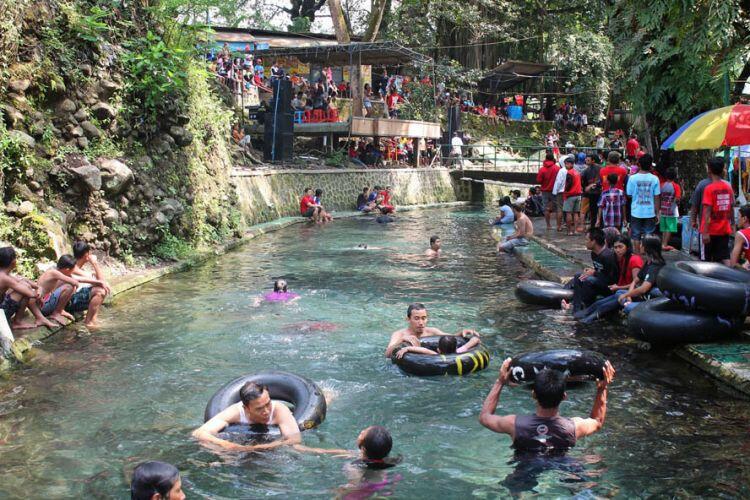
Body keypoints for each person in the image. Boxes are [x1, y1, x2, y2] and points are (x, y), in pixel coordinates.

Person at [479, 358, 615, 453]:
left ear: (533, 395)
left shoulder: (515, 424)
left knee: (517, 487)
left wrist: (500, 382)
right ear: (564, 397)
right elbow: (597, 421)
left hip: (525, 465)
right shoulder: (574, 427)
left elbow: (485, 417)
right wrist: (602, 389)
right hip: (564, 464)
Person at [192, 381, 301, 452]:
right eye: (259, 408)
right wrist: (226, 444)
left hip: (268, 445)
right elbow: (199, 433)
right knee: (211, 447)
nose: (266, 411)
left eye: (268, 404)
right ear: (246, 408)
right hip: (242, 441)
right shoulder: (236, 411)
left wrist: (255, 448)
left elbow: (294, 439)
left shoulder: (279, 410)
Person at [573, 235, 643, 323]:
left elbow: (636, 284)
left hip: (629, 294)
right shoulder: (622, 259)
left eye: (620, 247)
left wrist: (618, 288)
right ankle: (576, 316)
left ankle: (584, 322)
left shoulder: (634, 260)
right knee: (597, 303)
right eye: (615, 247)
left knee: (602, 306)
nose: (617, 250)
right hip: (619, 291)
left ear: (627, 247)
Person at [384, 303, 479, 358]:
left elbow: (451, 338)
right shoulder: (399, 334)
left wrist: (462, 333)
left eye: (424, 318)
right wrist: (402, 340)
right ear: (408, 319)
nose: (421, 322)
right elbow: (387, 354)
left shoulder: (432, 332)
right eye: (416, 318)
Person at [561, 228, 618, 313]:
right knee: (578, 276)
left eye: (587, 240)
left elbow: (612, 279)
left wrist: (594, 273)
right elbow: (599, 270)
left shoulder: (608, 256)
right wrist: (591, 272)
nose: (585, 242)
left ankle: (585, 307)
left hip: (609, 287)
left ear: (593, 241)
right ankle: (575, 308)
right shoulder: (594, 254)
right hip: (599, 282)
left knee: (589, 280)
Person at [0, 247, 54, 329]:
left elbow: (23, 280)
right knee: (23, 290)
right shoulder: (5, 278)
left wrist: (38, 287)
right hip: (1, 316)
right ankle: (17, 322)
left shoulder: (4, 274)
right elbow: (30, 294)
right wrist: (39, 295)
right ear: (13, 262)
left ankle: (23, 320)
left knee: (24, 284)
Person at [615, 235, 665, 314]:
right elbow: (634, 281)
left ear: (647, 247)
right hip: (643, 296)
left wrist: (626, 295)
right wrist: (628, 296)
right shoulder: (648, 262)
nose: (640, 246)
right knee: (619, 293)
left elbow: (643, 289)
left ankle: (628, 307)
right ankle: (628, 305)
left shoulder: (656, 265)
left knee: (627, 305)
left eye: (641, 244)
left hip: (652, 300)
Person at [700, 157, 735, 264]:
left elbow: (707, 212)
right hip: (724, 229)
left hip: (710, 231)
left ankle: (709, 281)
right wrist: (733, 225)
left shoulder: (709, 189)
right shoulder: (728, 187)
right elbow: (731, 208)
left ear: (709, 170)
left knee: (707, 261)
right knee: (724, 257)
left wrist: (705, 232)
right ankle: (731, 278)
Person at [70, 241, 110, 327]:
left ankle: (93, 319)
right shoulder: (74, 269)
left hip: (74, 299)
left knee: (101, 289)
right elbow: (101, 281)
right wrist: (95, 263)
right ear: (86, 254)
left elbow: (101, 280)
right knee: (100, 291)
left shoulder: (79, 268)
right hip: (70, 302)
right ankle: (88, 322)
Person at [626, 154, 661, 254]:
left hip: (636, 211)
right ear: (650, 166)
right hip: (650, 212)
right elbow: (657, 197)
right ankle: (648, 255)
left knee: (635, 234)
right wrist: (657, 212)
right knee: (649, 234)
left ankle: (637, 254)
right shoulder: (655, 179)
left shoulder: (632, 178)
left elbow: (629, 194)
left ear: (639, 165)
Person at [38, 255, 82, 325]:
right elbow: (75, 282)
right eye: (72, 269)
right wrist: (75, 287)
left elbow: (75, 279)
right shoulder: (54, 273)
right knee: (69, 287)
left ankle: (60, 310)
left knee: (67, 284)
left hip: (44, 302)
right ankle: (56, 313)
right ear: (67, 269)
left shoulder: (54, 270)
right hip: (43, 306)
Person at [393, 334, 480, 359]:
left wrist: (406, 348)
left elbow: (423, 350)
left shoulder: (435, 355)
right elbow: (475, 340)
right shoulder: (460, 351)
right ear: (456, 347)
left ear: (438, 350)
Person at [537, 153, 561, 230]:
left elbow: (539, 180)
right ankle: (558, 226)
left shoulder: (542, 169)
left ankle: (548, 226)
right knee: (558, 208)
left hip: (545, 191)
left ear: (546, 159)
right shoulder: (557, 168)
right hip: (555, 191)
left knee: (546, 208)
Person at [659, 169, 681, 251]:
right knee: (669, 228)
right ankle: (664, 244)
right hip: (671, 210)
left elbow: (658, 196)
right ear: (675, 177)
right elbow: (677, 198)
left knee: (664, 228)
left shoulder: (661, 185)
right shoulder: (676, 186)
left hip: (662, 209)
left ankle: (662, 243)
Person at [562, 157, 583, 236]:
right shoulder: (577, 172)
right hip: (578, 195)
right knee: (576, 213)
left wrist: (566, 191)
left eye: (566, 164)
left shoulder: (570, 173)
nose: (565, 166)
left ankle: (569, 231)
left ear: (571, 164)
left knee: (568, 213)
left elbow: (568, 184)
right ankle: (575, 230)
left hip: (570, 195)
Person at [580, 154, 601, 229]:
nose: (586, 161)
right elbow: (581, 179)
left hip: (595, 193)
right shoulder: (587, 169)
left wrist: (588, 186)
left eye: (588, 160)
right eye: (586, 159)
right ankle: (593, 227)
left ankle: (593, 227)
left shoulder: (598, 168)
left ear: (593, 160)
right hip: (591, 193)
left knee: (594, 211)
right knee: (593, 212)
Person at [551, 158, 568, 231]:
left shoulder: (562, 171)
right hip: (569, 192)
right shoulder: (572, 170)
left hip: (561, 192)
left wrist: (555, 192)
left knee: (560, 209)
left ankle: (559, 226)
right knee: (568, 210)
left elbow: (558, 182)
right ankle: (568, 225)